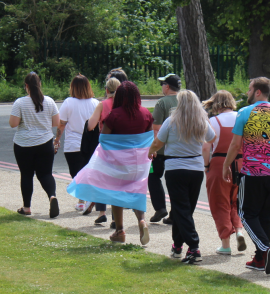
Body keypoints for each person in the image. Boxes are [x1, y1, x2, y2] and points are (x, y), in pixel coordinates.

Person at [67, 81, 154, 245]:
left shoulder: (115, 115)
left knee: (115, 193)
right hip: (140, 163)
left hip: (118, 163)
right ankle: (142, 220)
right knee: (137, 191)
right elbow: (149, 139)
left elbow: (104, 138)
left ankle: (119, 231)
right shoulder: (145, 113)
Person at [148, 90, 216, 264]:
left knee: (181, 208)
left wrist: (150, 152)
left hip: (175, 168)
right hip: (195, 168)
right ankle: (177, 245)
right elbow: (212, 137)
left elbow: (158, 142)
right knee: (185, 209)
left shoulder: (171, 122)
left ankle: (194, 247)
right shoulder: (201, 121)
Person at [223, 77, 270, 274]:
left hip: (253, 172)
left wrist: (226, 165)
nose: (247, 93)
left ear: (257, 91)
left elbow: (235, 145)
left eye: (249, 89)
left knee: (246, 214)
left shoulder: (245, 112)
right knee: (266, 216)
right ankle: (261, 259)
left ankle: (266, 248)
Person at [9, 72, 60, 218]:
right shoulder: (49, 101)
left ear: (26, 86)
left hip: (23, 144)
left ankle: (27, 207)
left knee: (26, 175)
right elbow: (56, 122)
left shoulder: (20, 102)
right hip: (45, 142)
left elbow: (13, 124)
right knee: (45, 174)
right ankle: (52, 196)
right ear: (40, 84)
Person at [202, 91, 246, 255]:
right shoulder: (241, 117)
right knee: (236, 201)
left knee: (219, 203)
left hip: (220, 162)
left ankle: (225, 244)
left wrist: (207, 166)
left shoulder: (213, 121)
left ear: (216, 103)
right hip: (241, 163)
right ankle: (239, 231)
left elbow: (206, 147)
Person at [54, 74, 99, 211]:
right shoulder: (96, 103)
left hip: (73, 144)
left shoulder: (68, 102)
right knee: (89, 172)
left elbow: (61, 124)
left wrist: (56, 140)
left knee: (77, 174)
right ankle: (88, 199)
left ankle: (82, 201)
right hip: (91, 144)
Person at [82, 77, 121, 224]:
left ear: (106, 90)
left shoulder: (102, 105)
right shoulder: (123, 105)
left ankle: (102, 212)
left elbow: (90, 126)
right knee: (116, 181)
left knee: (101, 179)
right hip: (120, 146)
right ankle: (115, 217)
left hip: (105, 145)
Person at [148, 73, 181, 225]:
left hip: (162, 150)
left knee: (153, 176)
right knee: (175, 182)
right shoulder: (186, 101)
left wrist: (154, 147)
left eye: (162, 84)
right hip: (181, 149)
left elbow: (156, 128)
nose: (162, 87)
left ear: (167, 86)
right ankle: (175, 214)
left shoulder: (162, 103)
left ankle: (160, 207)